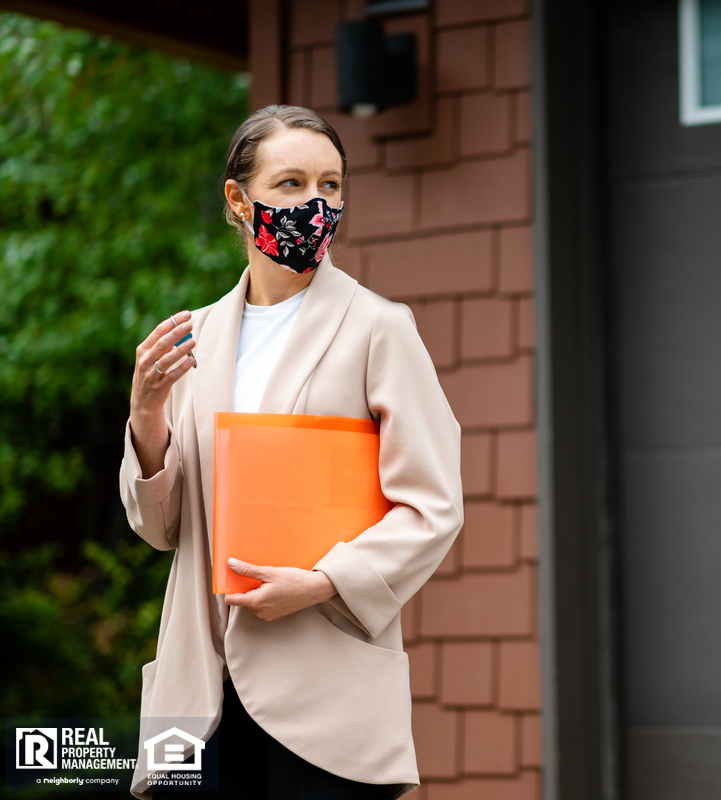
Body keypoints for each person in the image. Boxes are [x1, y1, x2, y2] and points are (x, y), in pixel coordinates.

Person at [120, 104, 463, 799]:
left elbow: (432, 508)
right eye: (291, 184)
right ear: (238, 201)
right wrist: (146, 415)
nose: (315, 204)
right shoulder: (199, 337)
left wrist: (324, 581)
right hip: (198, 701)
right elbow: (162, 530)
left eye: (330, 186)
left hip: (325, 698)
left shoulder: (380, 329)